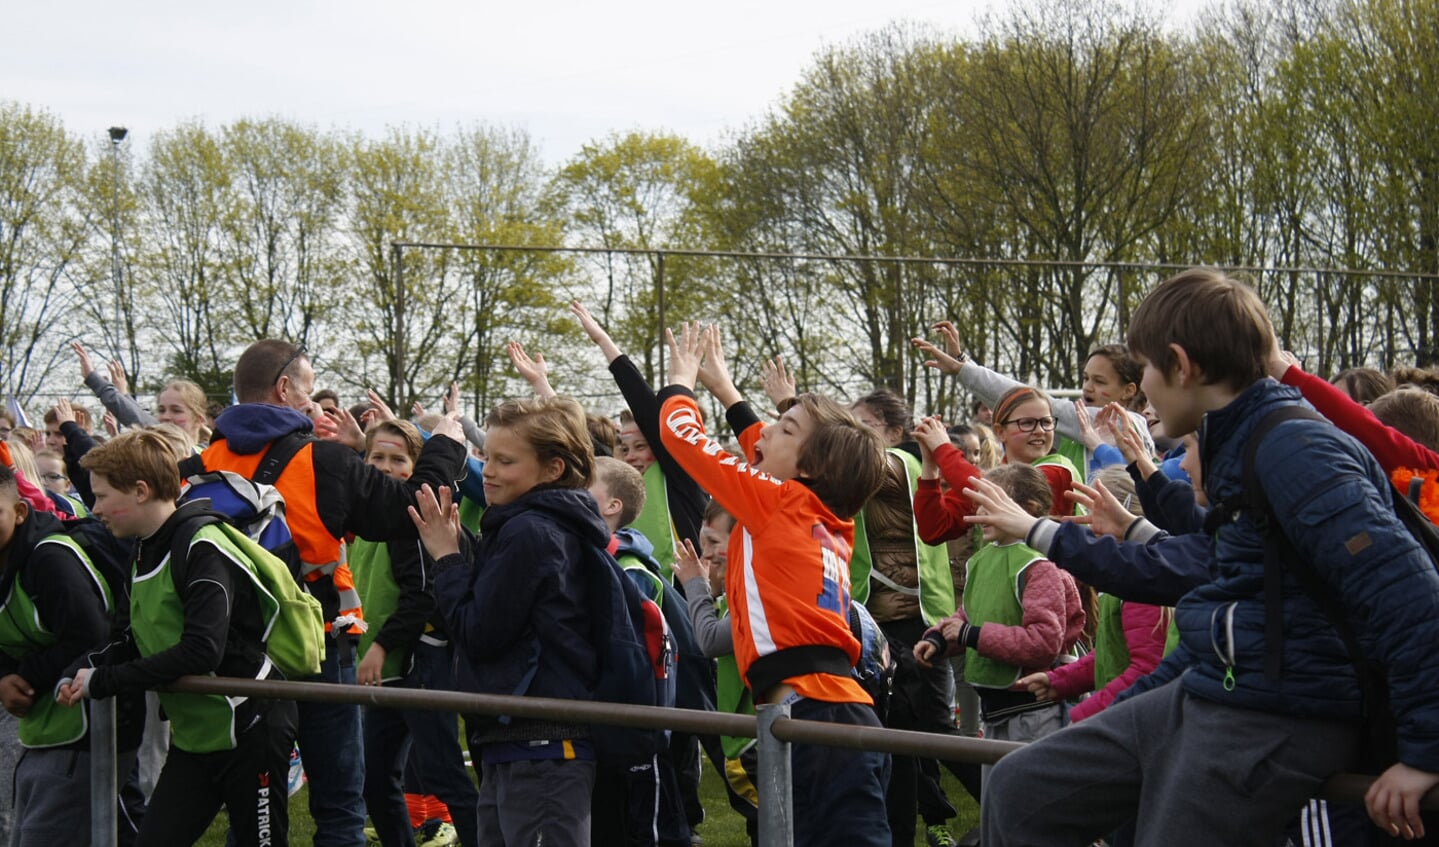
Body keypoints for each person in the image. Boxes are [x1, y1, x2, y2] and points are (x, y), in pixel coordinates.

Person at [970, 268, 1439, 845]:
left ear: (1181, 364)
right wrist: (1130, 708)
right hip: (1214, 687)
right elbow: (1222, 597)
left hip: (1280, 712)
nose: (1142, 385)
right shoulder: (1234, 445)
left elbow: (1409, 595)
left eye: (1144, 369)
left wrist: (1426, 750)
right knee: (1023, 788)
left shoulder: (1296, 449)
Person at [179, 339, 468, 847]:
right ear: (285, 387)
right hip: (316, 646)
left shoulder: (199, 465)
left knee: (255, 805)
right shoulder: (321, 461)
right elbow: (405, 510)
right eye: (308, 393)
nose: (313, 406)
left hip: (235, 651)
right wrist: (444, 441)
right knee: (338, 807)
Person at [656, 322, 891, 847]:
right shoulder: (823, 511)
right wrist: (728, 392)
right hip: (830, 704)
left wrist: (681, 382)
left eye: (783, 427)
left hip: (817, 710)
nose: (761, 435)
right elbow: (769, 452)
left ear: (815, 464)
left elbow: (681, 437)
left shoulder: (779, 503)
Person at [59, 429, 296, 847]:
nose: (94, 509)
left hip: (252, 727)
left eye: (101, 496)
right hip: (196, 736)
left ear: (140, 490)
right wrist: (85, 669)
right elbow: (138, 638)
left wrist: (106, 681)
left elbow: (202, 650)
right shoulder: (143, 546)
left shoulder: (201, 545)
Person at [408, 395, 603, 847]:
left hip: (541, 743)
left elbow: (478, 632)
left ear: (553, 468)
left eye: (505, 460)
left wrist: (447, 557)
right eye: (487, 457)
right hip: (522, 741)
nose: (488, 470)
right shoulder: (530, 523)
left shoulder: (531, 531)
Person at [349, 419, 479, 847]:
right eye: (376, 457)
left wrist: (382, 645)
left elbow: (424, 595)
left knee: (444, 774)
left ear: (416, 467)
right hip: (386, 672)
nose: (386, 467)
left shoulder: (409, 518)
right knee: (376, 778)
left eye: (398, 459)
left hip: (420, 664)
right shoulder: (365, 516)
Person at [915, 463, 1083, 755]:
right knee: (994, 797)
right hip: (994, 711)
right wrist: (940, 638)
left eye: (988, 506)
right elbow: (969, 614)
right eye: (977, 506)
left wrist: (972, 635)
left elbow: (1044, 642)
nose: (978, 515)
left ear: (1027, 508)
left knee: (1027, 797)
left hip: (1034, 712)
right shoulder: (982, 559)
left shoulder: (1040, 566)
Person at [0, 464, 119, 846]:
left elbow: (93, 636)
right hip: (43, 722)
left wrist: (27, 675)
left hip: (89, 716)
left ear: (19, 513)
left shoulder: (50, 559)